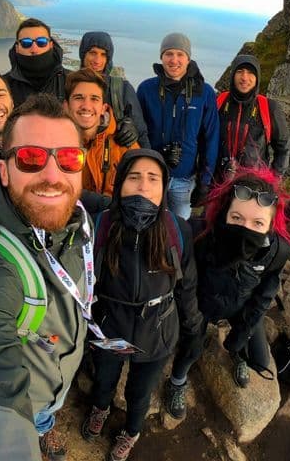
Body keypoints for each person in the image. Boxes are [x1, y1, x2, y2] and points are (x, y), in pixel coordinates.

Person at [0, 94, 94, 461]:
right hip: (28, 395)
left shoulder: (74, 222)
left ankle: (45, 422)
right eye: (31, 158)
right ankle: (40, 426)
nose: (52, 176)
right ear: (3, 170)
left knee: (47, 412)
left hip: (53, 372)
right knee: (37, 415)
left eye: (68, 159)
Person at [81, 149, 202, 461]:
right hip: (109, 324)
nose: (143, 186)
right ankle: (100, 409)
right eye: (133, 177)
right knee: (104, 379)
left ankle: (132, 431)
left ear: (163, 188)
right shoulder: (100, 226)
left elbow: (186, 285)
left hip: (157, 330)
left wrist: (193, 329)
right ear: (120, 184)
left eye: (153, 178)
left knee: (140, 392)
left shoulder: (177, 230)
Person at [165, 166, 290, 418]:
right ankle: (177, 381)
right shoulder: (199, 234)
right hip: (202, 303)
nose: (246, 229)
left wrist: (242, 333)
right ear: (225, 214)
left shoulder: (277, 251)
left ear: (270, 226)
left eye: (258, 223)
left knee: (259, 359)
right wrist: (193, 321)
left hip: (240, 305)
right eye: (237, 218)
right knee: (190, 348)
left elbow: (264, 296)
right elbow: (184, 285)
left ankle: (237, 354)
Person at [136, 32, 218, 220]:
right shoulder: (146, 89)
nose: (174, 60)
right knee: (148, 226)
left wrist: (205, 182)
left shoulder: (204, 93)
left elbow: (210, 138)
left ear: (188, 59)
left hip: (184, 179)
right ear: (161, 57)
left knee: (179, 229)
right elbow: (138, 132)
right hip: (151, 176)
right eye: (169, 54)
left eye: (180, 54)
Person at [63, 68, 137, 198]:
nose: (86, 106)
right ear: (66, 106)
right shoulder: (53, 145)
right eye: (78, 98)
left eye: (94, 99)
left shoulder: (125, 147)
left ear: (103, 108)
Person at [216, 54, 290, 181]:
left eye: (251, 73)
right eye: (240, 71)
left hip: (252, 186)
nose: (244, 77)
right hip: (217, 181)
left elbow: (283, 147)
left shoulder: (269, 107)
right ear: (233, 74)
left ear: (257, 78)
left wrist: (273, 180)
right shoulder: (220, 102)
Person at [78, 31, 149, 148]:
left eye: (103, 54)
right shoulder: (71, 86)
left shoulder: (121, 88)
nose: (97, 60)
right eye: (92, 53)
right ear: (83, 54)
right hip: (74, 160)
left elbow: (141, 134)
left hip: (112, 163)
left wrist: (132, 129)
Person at [4, 18, 70, 107]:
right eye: (26, 43)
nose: (34, 49)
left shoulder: (71, 81)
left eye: (41, 42)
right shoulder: (4, 85)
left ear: (51, 45)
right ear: (17, 48)